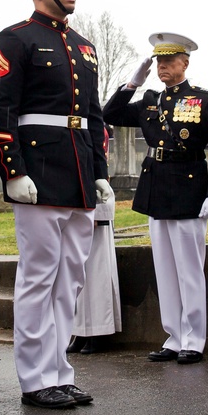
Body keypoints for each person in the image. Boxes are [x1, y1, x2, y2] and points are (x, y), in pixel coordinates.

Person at [0, 0, 111, 409]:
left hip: (77, 170)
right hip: (38, 172)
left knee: (70, 280)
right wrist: (12, 171)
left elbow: (93, 115)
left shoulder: (84, 45)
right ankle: (35, 378)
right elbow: (0, 110)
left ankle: (59, 370)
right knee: (39, 278)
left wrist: (98, 172)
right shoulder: (15, 40)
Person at [103, 33, 208, 365]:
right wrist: (132, 82)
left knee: (189, 269)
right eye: (158, 61)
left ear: (185, 63)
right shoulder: (149, 101)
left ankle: (194, 339)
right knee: (165, 269)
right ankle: (174, 336)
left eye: (169, 61)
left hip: (189, 188)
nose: (162, 67)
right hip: (156, 187)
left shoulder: (203, 100)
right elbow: (110, 113)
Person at [67, 128, 121, 355]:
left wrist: (98, 207)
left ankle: (99, 330)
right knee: (78, 274)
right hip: (74, 194)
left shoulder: (95, 129)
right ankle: (80, 330)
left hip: (94, 195)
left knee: (97, 270)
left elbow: (98, 165)